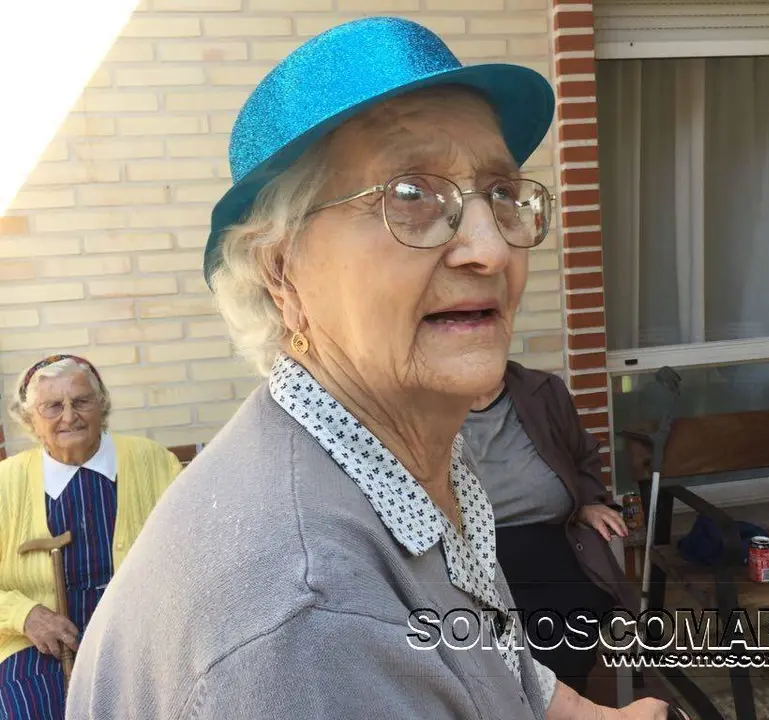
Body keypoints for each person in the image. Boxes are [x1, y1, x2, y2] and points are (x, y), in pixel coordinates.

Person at [64, 17, 681, 720]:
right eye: (411, 197)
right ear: (282, 275)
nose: (491, 250)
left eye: (502, 195)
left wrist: (590, 714)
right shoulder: (312, 627)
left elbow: (480, 654)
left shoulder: (399, 453)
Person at [0, 354, 181, 720]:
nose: (69, 417)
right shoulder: (6, 483)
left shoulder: (153, 461)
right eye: (53, 406)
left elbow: (192, 551)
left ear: (102, 405)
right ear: (31, 420)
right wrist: (26, 615)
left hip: (140, 635)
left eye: (81, 401)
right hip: (39, 644)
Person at [461, 360, 637, 696]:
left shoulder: (542, 391)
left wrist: (586, 503)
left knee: (575, 621)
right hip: (480, 555)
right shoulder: (429, 405)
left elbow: (583, 455)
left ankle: (564, 702)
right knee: (505, 641)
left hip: (557, 540)